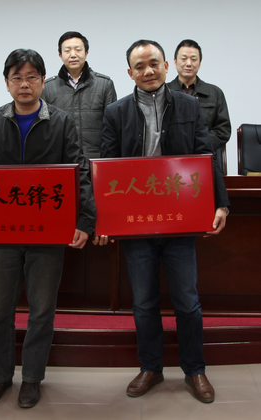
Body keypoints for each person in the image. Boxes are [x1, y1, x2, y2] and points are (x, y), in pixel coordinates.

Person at [0, 49, 95, 409]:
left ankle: (32, 378)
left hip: (48, 234)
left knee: (41, 311)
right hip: (1, 232)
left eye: (32, 77)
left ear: (43, 81)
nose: (24, 84)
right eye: (17, 77)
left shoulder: (61, 122)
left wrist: (84, 220)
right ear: (6, 83)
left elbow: (79, 172)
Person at [97, 39, 230, 404]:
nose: (148, 71)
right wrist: (104, 219)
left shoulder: (189, 105)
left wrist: (221, 203)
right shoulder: (116, 112)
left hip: (179, 220)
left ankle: (195, 370)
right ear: (130, 73)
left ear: (166, 66)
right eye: (139, 66)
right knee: (143, 302)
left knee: (187, 300)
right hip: (136, 224)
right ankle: (151, 367)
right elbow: (107, 167)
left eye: (154, 63)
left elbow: (206, 155)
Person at [42, 31, 117, 158]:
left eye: (78, 50)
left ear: (86, 53)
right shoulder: (47, 87)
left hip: (96, 159)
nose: (73, 55)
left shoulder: (105, 84)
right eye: (67, 51)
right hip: (62, 160)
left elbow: (112, 128)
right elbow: (45, 130)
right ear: (60, 55)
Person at [168, 39, 231, 174]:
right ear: (175, 62)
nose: (188, 63)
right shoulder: (165, 92)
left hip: (205, 159)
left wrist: (199, 145)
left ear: (200, 63)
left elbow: (223, 130)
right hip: (171, 161)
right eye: (184, 58)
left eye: (193, 59)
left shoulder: (214, 93)